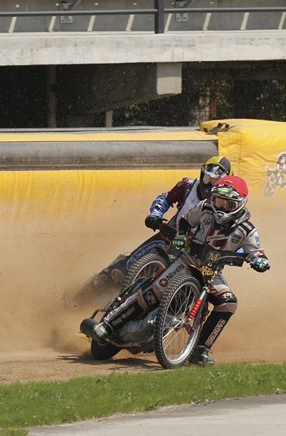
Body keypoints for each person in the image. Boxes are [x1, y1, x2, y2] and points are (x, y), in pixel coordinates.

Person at [171, 175, 270, 365]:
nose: (221, 207)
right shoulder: (205, 208)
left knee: (229, 303)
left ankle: (200, 349)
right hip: (185, 260)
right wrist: (182, 237)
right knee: (156, 288)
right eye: (219, 201)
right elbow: (184, 221)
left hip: (210, 272)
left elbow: (256, 251)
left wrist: (260, 261)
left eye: (228, 204)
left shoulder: (247, 229)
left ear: (240, 204)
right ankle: (113, 320)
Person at [94, 156, 232, 287]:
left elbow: (233, 232)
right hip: (168, 235)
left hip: (195, 251)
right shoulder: (187, 185)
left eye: (214, 181)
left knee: (198, 284)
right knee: (124, 268)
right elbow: (165, 199)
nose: (208, 184)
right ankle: (96, 285)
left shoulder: (228, 204)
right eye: (207, 178)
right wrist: (155, 214)